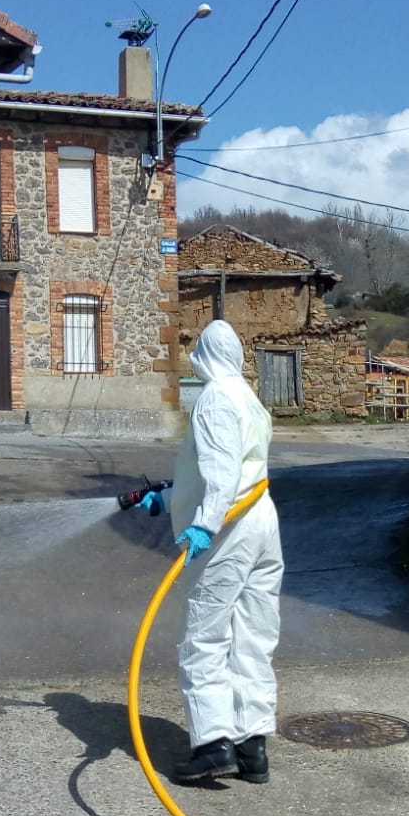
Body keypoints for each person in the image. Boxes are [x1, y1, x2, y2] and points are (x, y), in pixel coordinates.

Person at [139, 320, 283, 784]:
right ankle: (251, 747)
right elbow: (237, 469)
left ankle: (212, 743)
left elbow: (221, 478)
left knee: (205, 635)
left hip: (227, 531)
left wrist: (201, 525)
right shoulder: (247, 397)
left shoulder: (216, 399)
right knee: (252, 636)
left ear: (203, 353)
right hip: (260, 521)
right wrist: (169, 497)